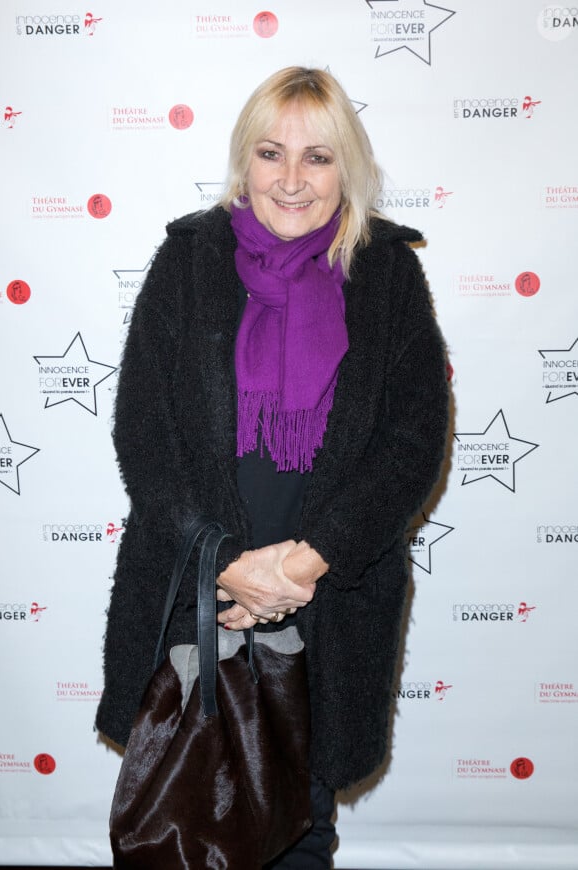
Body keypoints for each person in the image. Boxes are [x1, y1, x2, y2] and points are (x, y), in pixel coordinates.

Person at [96, 66, 449, 869]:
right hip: (193, 595)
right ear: (242, 163)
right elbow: (144, 436)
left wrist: (307, 561)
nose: (291, 179)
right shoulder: (186, 261)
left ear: (347, 169)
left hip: (327, 600)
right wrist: (226, 566)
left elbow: (412, 440)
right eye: (270, 153)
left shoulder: (389, 274)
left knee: (300, 827)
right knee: (182, 823)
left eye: (318, 157)